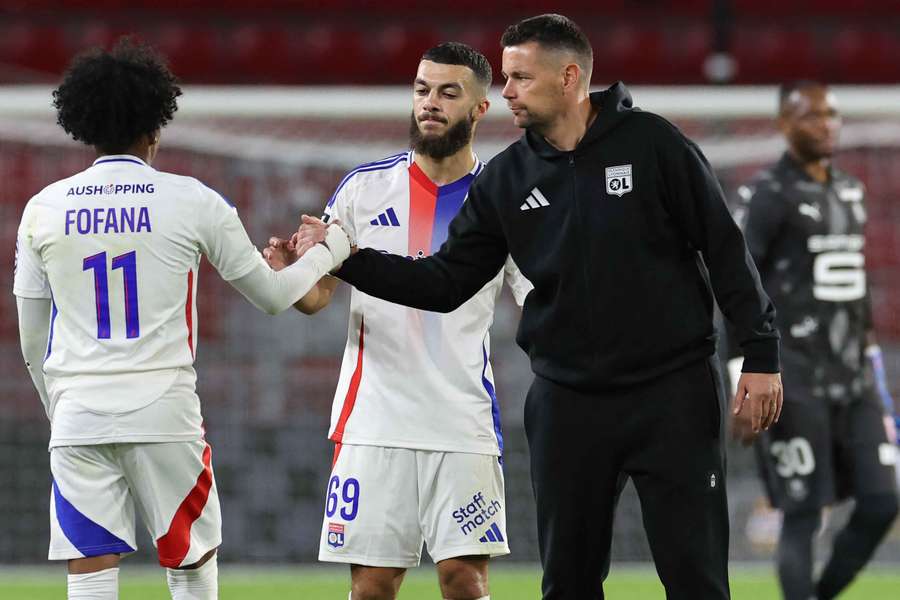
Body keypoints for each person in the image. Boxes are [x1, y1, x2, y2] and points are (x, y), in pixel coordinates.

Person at [293, 13, 783, 600]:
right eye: (505, 77)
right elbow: (444, 282)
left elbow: (725, 249)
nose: (507, 92)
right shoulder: (505, 180)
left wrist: (760, 353)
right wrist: (343, 256)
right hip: (568, 404)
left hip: (672, 395)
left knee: (696, 579)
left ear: (570, 77)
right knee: (568, 585)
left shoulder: (655, 145)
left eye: (521, 78)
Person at [12, 39, 350, 600]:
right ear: (157, 126)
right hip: (164, 410)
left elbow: (30, 338)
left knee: (90, 570)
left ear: (84, 125)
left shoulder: (44, 206)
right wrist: (330, 250)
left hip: (78, 413)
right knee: (191, 561)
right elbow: (270, 295)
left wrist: (59, 405)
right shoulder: (191, 199)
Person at [266, 42, 531, 600]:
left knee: (465, 582)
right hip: (374, 420)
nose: (429, 103)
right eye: (422, 90)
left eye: (447, 92)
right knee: (371, 588)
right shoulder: (364, 189)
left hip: (461, 418)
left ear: (480, 109)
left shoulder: (501, 198)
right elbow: (317, 297)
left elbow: (537, 300)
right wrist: (289, 276)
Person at [729, 81, 898, 600]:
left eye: (831, 114)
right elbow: (738, 285)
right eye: (811, 115)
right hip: (792, 375)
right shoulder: (766, 196)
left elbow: (858, 294)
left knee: (881, 502)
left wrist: (879, 384)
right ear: (784, 124)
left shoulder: (850, 188)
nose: (825, 124)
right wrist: (740, 373)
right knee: (803, 512)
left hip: (852, 375)